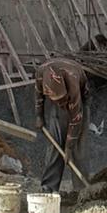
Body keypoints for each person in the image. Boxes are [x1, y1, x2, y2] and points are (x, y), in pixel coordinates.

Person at [36, 58, 88, 195]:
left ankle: (81, 191)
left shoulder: (73, 83)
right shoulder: (41, 74)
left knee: (77, 147)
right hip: (60, 95)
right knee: (55, 143)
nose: (61, 104)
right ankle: (49, 187)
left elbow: (76, 119)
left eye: (62, 100)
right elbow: (38, 94)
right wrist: (39, 116)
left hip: (81, 100)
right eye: (57, 101)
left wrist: (69, 148)